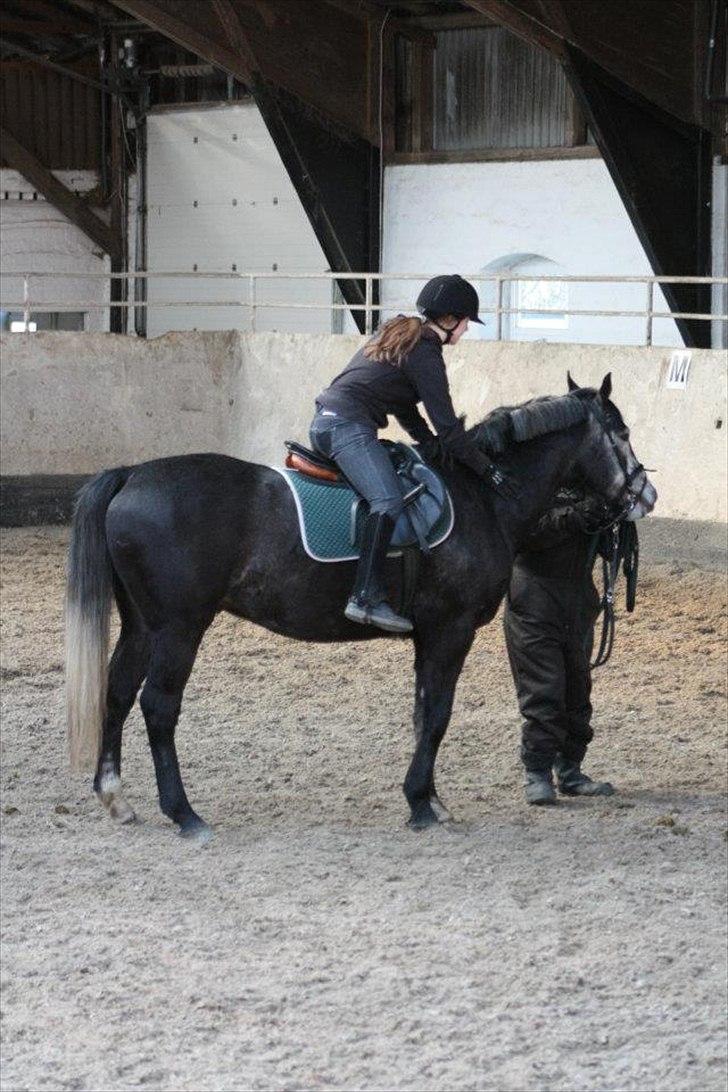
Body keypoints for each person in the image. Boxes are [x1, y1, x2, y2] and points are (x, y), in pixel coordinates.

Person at [310, 274, 514, 634]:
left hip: (333, 421)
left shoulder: (403, 334)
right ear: (450, 320)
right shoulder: (425, 352)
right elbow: (450, 429)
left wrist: (429, 446)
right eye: (466, 322)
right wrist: (488, 471)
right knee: (388, 500)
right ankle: (366, 597)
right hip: (345, 427)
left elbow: (405, 408)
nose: (466, 331)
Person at [503, 488, 619, 805]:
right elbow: (520, 533)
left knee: (577, 688)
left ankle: (570, 770)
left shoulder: (591, 480)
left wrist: (609, 517)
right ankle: (538, 774)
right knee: (544, 690)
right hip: (534, 601)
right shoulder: (532, 474)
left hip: (578, 598)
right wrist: (570, 518)